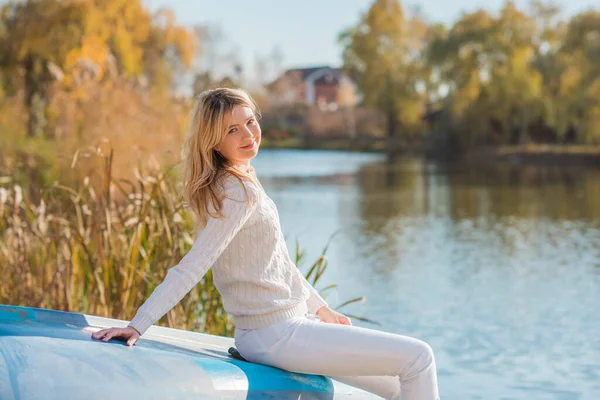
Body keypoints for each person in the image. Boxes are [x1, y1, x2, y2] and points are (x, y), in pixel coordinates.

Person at [91, 88, 440, 400]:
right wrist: (138, 324)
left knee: (397, 388)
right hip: (277, 335)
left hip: (283, 328)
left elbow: (278, 262)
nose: (248, 134)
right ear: (213, 141)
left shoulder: (240, 179)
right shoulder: (237, 191)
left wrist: (321, 309)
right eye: (232, 129)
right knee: (419, 358)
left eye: (250, 122)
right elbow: (194, 264)